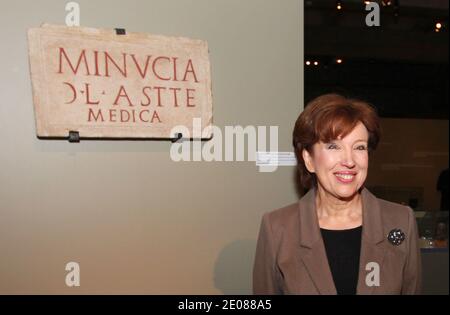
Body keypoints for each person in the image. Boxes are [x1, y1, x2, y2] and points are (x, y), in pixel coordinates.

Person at [253, 94, 421, 295]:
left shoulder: (401, 221)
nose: (349, 160)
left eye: (359, 147)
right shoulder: (278, 229)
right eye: (333, 146)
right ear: (309, 159)